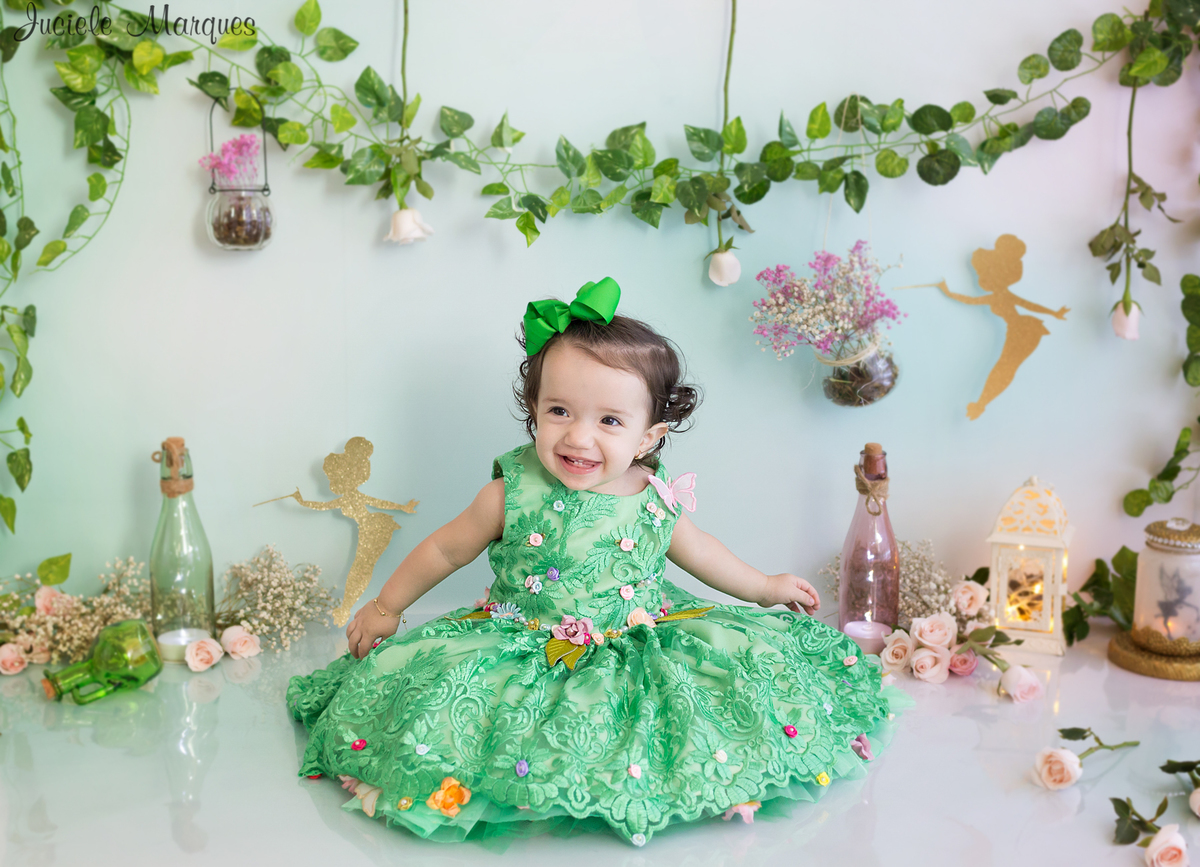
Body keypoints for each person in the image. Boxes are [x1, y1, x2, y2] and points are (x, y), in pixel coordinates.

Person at [287, 278, 898, 847]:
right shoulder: (511, 491)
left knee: (684, 706)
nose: (579, 438)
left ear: (648, 436)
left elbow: (703, 552)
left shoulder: (653, 500)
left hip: (638, 635)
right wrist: (387, 605)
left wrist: (762, 586)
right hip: (521, 637)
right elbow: (446, 548)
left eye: (609, 421)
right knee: (468, 709)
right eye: (559, 411)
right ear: (534, 408)